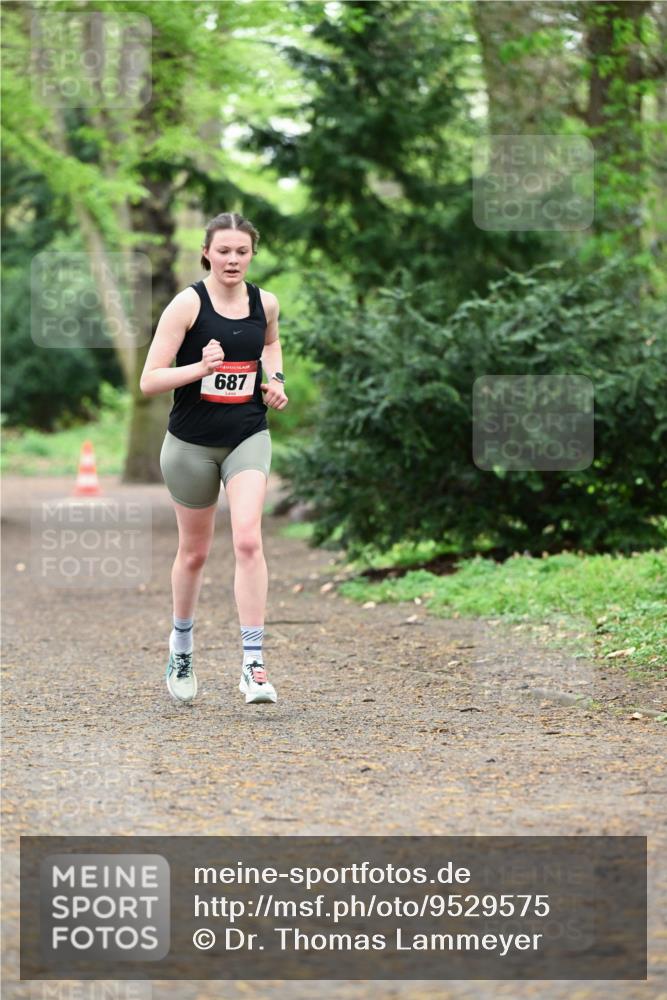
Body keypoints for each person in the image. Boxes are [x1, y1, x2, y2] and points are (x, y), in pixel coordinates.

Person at [139, 212, 288, 707]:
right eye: (223, 250)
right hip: (191, 445)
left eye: (241, 251)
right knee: (195, 553)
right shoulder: (187, 305)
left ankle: (253, 665)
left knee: (247, 539)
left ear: (252, 254)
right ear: (207, 252)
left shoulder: (265, 303)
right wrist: (199, 368)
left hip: (247, 436)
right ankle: (181, 646)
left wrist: (276, 381)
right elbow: (149, 380)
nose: (232, 259)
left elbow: (271, 344)